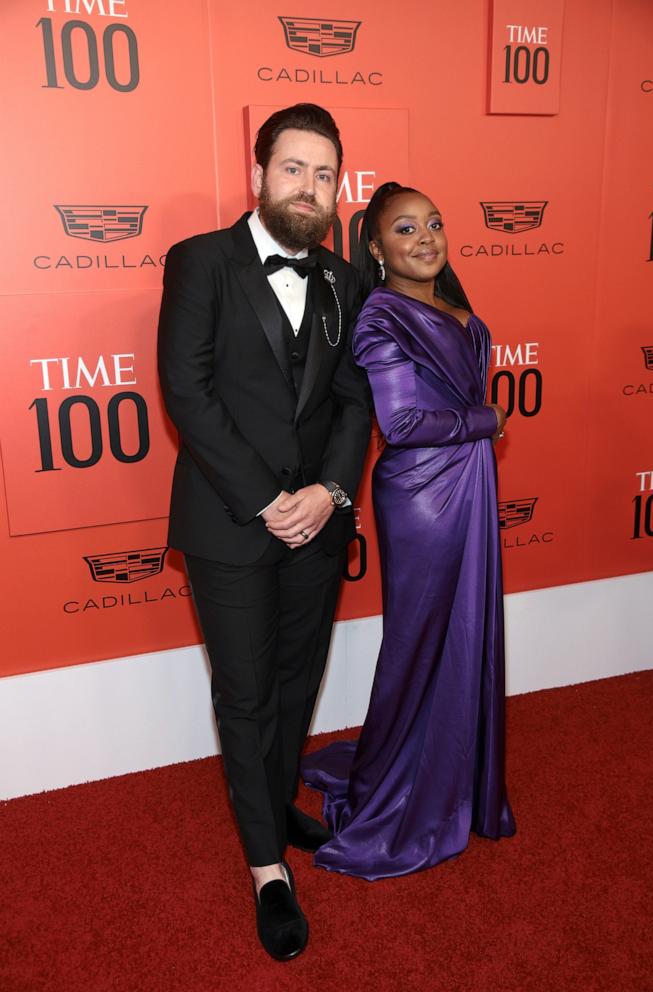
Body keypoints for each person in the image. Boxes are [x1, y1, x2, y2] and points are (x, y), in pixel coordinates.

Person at [157, 104, 371, 959]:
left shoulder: (349, 280)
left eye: (324, 174)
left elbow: (353, 401)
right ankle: (265, 870)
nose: (309, 188)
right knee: (244, 694)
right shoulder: (201, 262)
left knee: (295, 677)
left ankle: (276, 796)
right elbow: (187, 391)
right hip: (229, 523)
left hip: (318, 524)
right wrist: (266, 498)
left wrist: (326, 490)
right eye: (294, 168)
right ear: (258, 174)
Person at [301, 182, 516, 880]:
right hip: (422, 498)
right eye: (403, 229)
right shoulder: (379, 317)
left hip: (471, 485)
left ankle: (456, 773)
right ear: (374, 246)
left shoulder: (457, 310)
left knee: (466, 631)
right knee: (420, 639)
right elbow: (400, 427)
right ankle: (397, 781)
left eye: (433, 224)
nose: (424, 239)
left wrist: (477, 432)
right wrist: (486, 421)